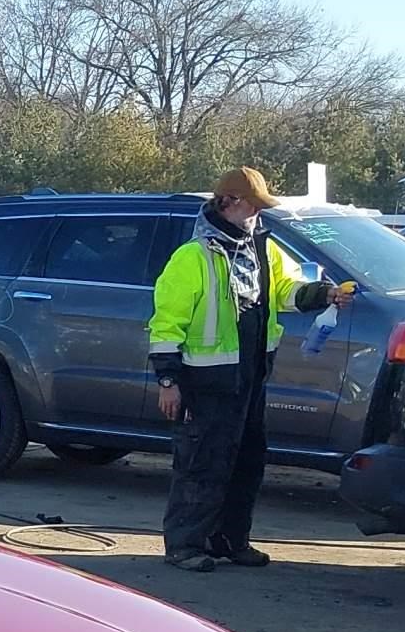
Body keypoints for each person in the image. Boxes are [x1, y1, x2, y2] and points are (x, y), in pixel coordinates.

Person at [148, 168, 354, 573]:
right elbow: (165, 324)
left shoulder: (262, 249)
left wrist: (323, 294)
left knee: (245, 462)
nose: (258, 213)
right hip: (204, 382)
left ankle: (229, 541)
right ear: (227, 202)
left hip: (249, 379)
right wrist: (168, 380)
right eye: (252, 204)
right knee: (202, 464)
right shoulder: (192, 257)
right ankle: (185, 545)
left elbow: (287, 289)